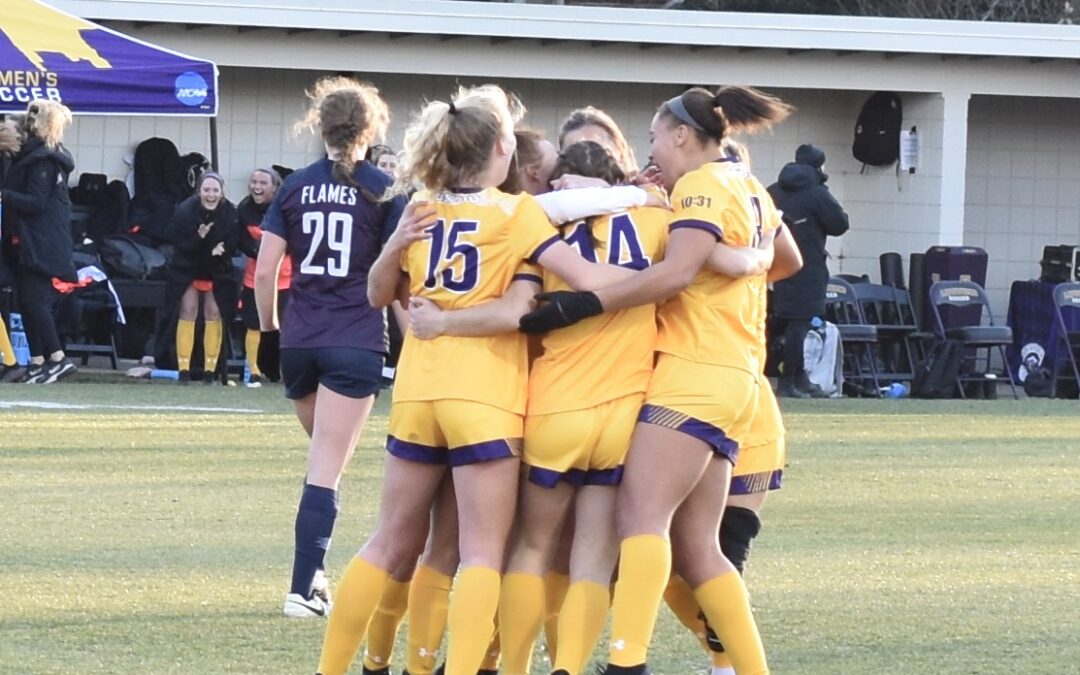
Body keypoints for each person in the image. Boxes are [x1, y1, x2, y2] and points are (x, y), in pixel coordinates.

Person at [317, 83, 633, 675]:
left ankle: (332, 667)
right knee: (482, 552)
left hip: (417, 391)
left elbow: (377, 294)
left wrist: (395, 250)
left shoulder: (421, 206)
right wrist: (658, 268)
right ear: (498, 151)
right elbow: (581, 279)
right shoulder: (516, 213)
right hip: (484, 392)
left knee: (387, 542)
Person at [520, 85, 792, 675]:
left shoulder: (696, 186)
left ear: (680, 135)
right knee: (697, 549)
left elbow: (674, 274)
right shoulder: (747, 185)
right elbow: (783, 260)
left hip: (691, 371)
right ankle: (746, 669)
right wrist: (744, 258)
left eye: (652, 136)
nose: (651, 150)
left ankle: (627, 663)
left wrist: (584, 304)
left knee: (640, 523)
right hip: (741, 379)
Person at [252, 76, 406, 619]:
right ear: (371, 130)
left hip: (299, 340)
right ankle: (301, 589)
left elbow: (267, 269)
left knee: (324, 462)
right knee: (326, 472)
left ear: (320, 127)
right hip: (355, 339)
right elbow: (397, 279)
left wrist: (269, 333)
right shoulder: (385, 190)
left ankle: (314, 576)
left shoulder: (292, 187)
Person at [1, 100, 78, 384]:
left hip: (43, 242)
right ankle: (37, 361)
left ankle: (57, 358)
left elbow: (36, 202)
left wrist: (3, 195)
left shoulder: (44, 160)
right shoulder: (31, 157)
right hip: (28, 240)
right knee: (26, 301)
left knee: (35, 302)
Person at [767, 143, 849, 398]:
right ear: (818, 166)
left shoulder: (772, 190)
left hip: (775, 265)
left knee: (780, 322)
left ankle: (792, 375)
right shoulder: (816, 192)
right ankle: (790, 380)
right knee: (801, 324)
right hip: (808, 265)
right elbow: (839, 224)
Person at [167, 171, 239, 384]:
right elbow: (178, 244)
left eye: (215, 190)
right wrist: (198, 238)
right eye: (206, 190)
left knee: (213, 312)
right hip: (188, 266)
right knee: (188, 310)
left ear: (222, 192)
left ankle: (210, 370)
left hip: (217, 268)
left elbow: (234, 242)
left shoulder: (230, 212)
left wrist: (223, 249)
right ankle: (183, 370)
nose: (211, 195)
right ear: (199, 191)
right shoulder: (184, 211)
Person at [237, 167, 288, 388]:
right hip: (255, 276)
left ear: (275, 187)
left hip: (287, 277)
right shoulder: (244, 209)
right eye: (254, 182)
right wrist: (257, 251)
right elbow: (239, 239)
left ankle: (284, 370)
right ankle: (255, 371)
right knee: (254, 323)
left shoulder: (285, 208)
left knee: (287, 325)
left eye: (263, 183)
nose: (257, 187)